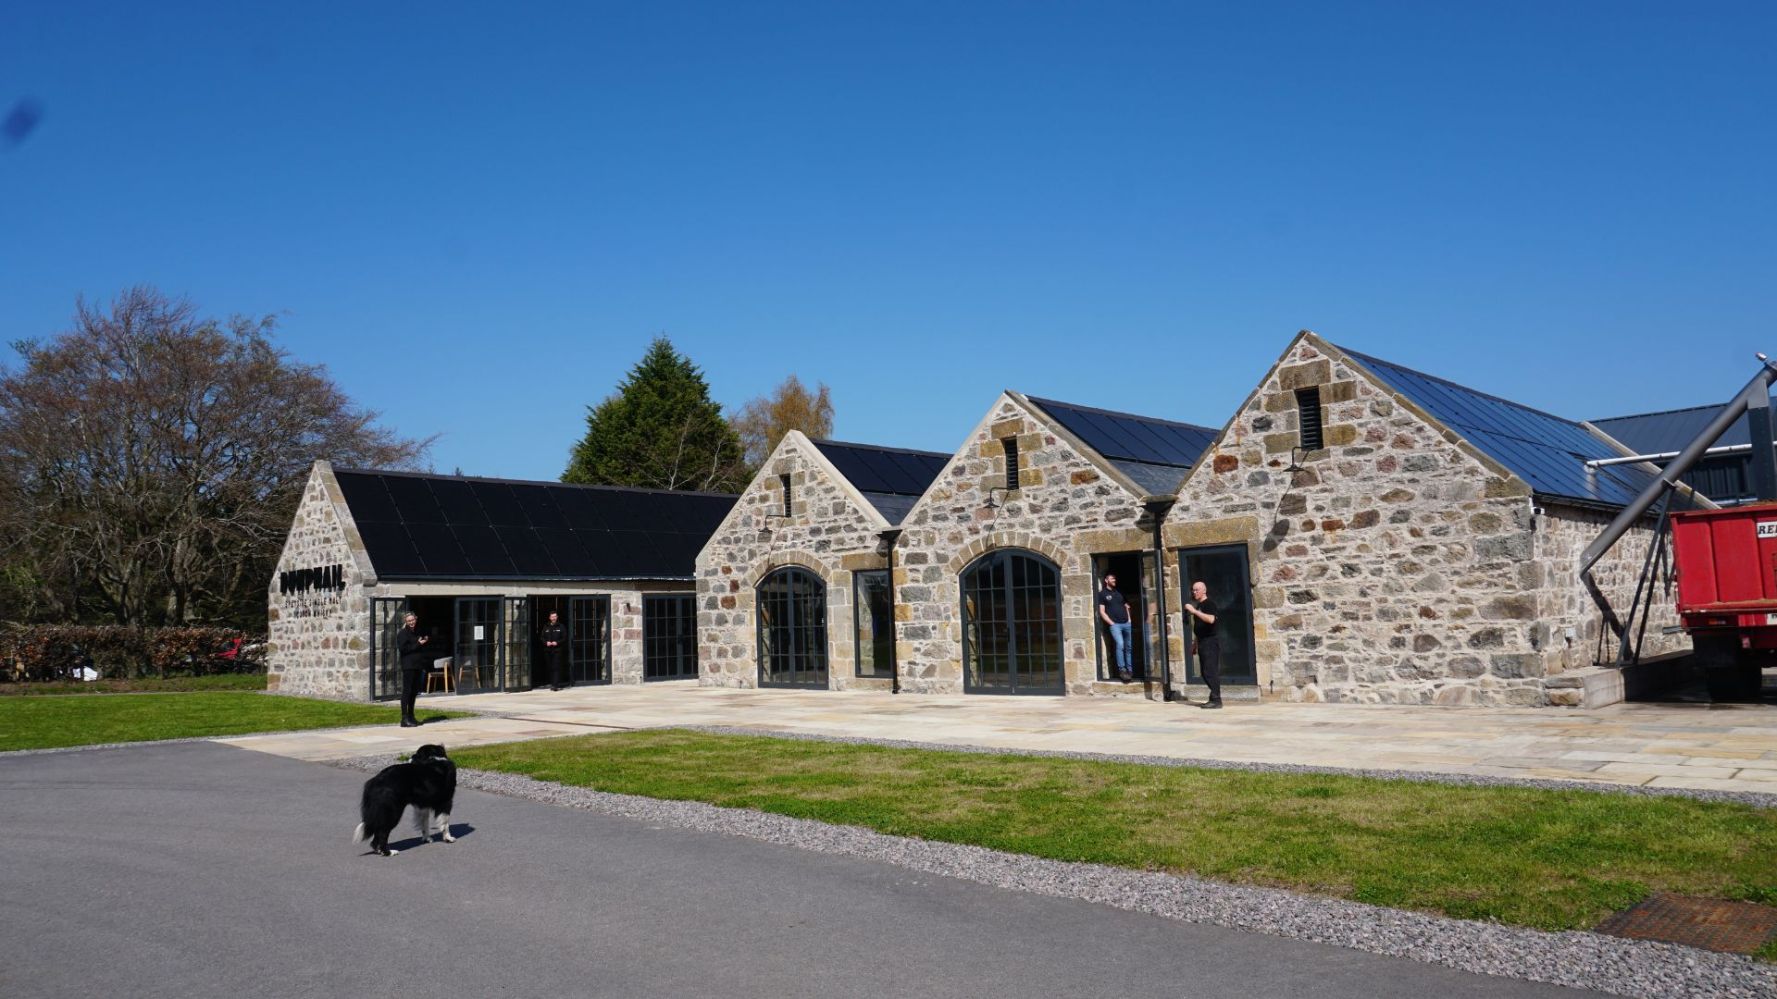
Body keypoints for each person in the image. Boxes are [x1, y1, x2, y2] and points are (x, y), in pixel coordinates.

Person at [1183, 581, 1221, 709]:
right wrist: (1195, 643)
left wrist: (1194, 611)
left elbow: (1211, 619)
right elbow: (1199, 627)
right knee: (1205, 672)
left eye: (1197, 590)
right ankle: (1213, 697)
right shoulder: (1200, 605)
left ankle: (1216, 700)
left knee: (1210, 671)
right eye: (1193, 590)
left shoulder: (1209, 604)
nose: (1194, 592)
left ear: (1204, 590)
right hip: (1202, 641)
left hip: (1210, 641)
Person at [395, 612, 431, 727]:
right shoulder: (402, 633)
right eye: (409, 621)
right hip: (408, 666)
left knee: (414, 692)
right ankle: (404, 719)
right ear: (406, 622)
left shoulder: (417, 631)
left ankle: (411, 716)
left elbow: (420, 645)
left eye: (413, 620)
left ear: (416, 619)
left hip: (418, 665)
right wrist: (418, 644)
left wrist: (424, 641)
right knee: (407, 691)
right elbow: (403, 649)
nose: (411, 622)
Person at [1097, 572, 1134, 681]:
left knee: (1128, 647)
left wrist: (1129, 619)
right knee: (1120, 644)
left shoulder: (1119, 592)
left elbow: (1127, 606)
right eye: (1112, 579)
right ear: (1106, 580)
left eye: (1114, 579)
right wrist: (1111, 623)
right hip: (1115, 625)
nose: (1114, 580)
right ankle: (1122, 670)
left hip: (1126, 623)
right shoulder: (1102, 594)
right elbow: (1102, 611)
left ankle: (1130, 669)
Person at [540, 610, 567, 691]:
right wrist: (546, 642)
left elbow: (564, 638)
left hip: (557, 650)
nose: (553, 618)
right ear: (550, 617)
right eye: (552, 617)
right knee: (550, 667)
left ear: (557, 617)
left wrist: (557, 642)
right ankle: (552, 683)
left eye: (555, 616)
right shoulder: (546, 626)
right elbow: (542, 637)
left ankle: (555, 685)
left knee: (556, 667)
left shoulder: (561, 626)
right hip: (548, 650)